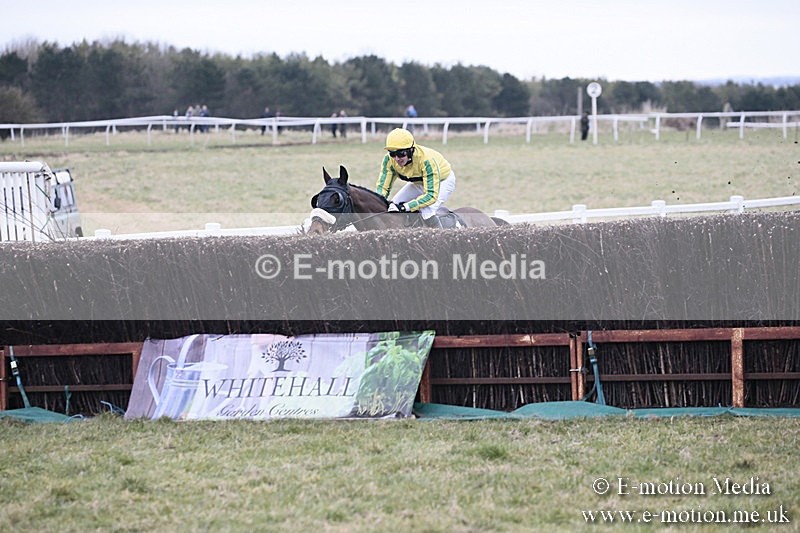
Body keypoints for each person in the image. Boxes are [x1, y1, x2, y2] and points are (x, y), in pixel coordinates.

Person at [376, 128, 459, 228]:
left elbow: (431, 196)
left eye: (401, 154)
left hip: (443, 181)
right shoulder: (389, 160)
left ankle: (441, 239)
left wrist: (405, 207)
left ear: (411, 150)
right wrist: (376, 203)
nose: (397, 159)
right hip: (419, 183)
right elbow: (383, 188)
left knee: (427, 210)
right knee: (393, 206)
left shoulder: (426, 161)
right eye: (392, 154)